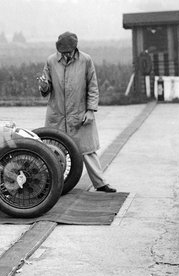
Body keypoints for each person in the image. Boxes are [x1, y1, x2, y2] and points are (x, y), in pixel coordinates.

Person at [37, 31, 116, 193]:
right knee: (53, 152)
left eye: (68, 52)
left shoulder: (86, 60)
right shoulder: (51, 61)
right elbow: (46, 89)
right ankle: (47, 185)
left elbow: (93, 87)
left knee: (88, 150)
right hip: (57, 115)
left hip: (80, 115)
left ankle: (100, 183)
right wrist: (43, 85)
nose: (65, 55)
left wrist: (91, 110)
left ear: (75, 49)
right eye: (62, 52)